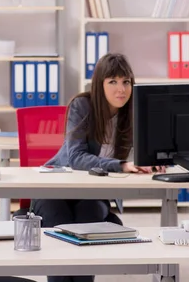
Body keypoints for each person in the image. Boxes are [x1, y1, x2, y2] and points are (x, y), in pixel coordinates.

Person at [31, 53, 164, 282]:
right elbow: (76, 158)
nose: (120, 89)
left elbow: (147, 149)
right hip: (54, 189)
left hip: (92, 194)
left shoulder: (133, 112)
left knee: (88, 221)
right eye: (112, 81)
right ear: (99, 84)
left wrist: (154, 159)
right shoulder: (82, 105)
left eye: (126, 82)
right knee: (60, 228)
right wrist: (121, 165)